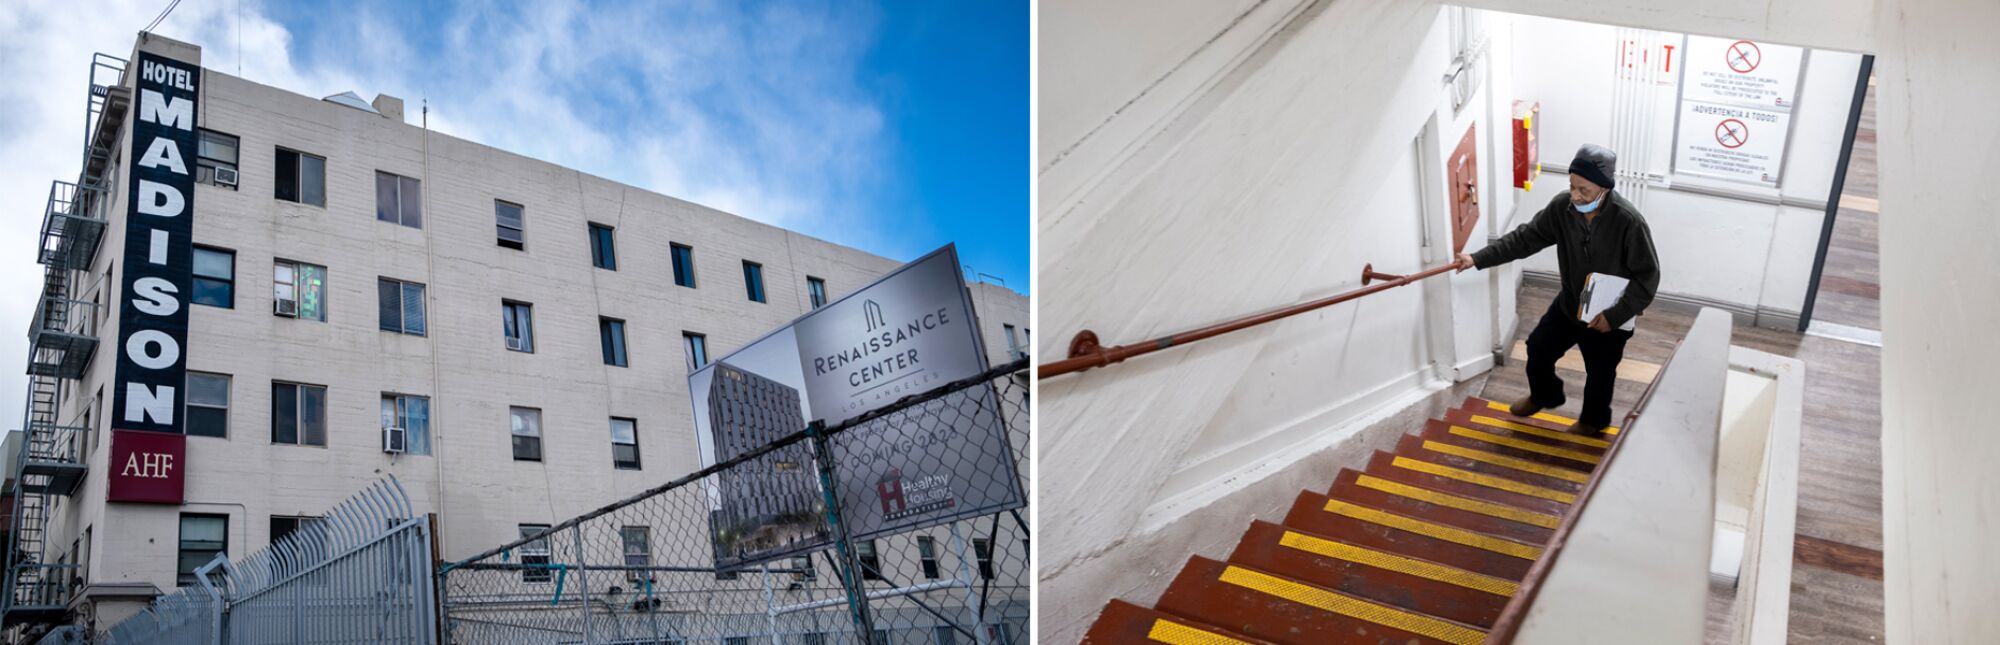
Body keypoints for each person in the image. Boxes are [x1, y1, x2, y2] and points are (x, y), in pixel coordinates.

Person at [1454, 144, 1660, 436]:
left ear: (1605, 189)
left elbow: (1648, 278)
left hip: (1608, 317)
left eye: (1584, 191)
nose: (1576, 196)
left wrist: (1615, 315)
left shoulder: (1629, 222)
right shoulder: (1562, 208)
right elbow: (1525, 239)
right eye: (1572, 186)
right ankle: (1545, 395)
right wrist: (1478, 258)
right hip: (1570, 305)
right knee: (1537, 348)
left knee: (1600, 374)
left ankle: (1592, 422)